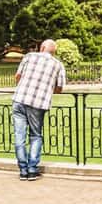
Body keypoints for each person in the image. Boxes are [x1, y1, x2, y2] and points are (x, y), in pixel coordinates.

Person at [12, 39, 66, 181]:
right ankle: (32, 169)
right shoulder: (58, 64)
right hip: (38, 103)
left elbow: (17, 77)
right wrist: (47, 89)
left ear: (42, 47)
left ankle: (23, 170)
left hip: (19, 99)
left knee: (19, 135)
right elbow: (60, 88)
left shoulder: (29, 56)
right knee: (35, 135)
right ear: (53, 51)